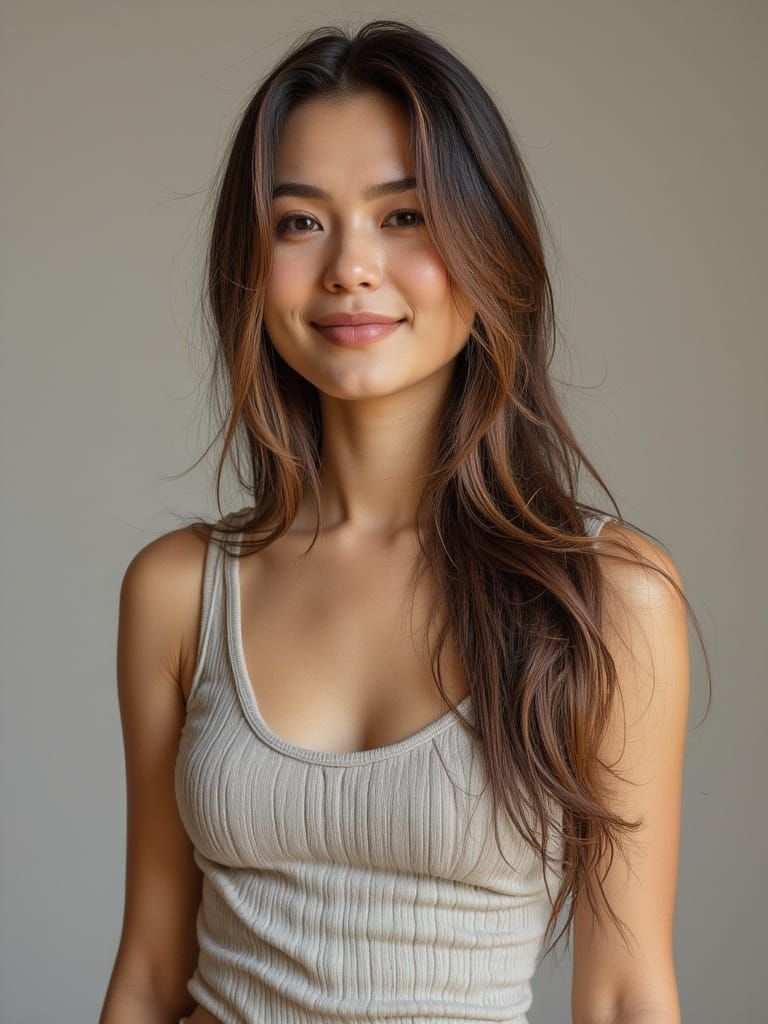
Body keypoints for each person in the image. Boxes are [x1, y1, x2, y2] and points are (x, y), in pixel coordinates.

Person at [99, 18, 708, 1024]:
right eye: (300, 222)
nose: (349, 266)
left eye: (405, 216)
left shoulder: (610, 595)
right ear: (251, 265)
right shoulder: (177, 590)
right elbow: (152, 971)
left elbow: (625, 992)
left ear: (489, 245)